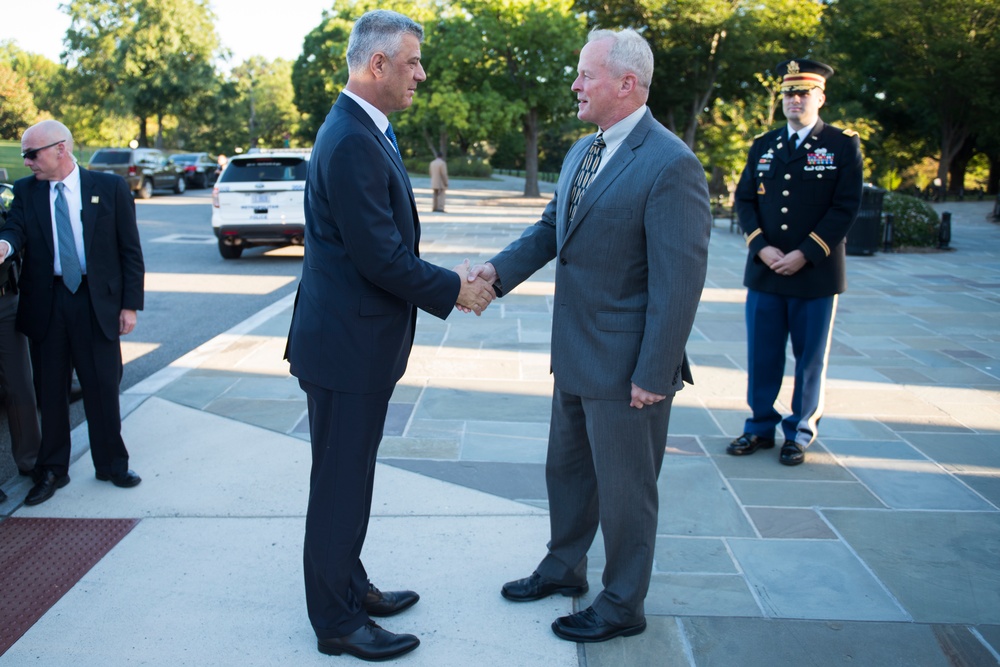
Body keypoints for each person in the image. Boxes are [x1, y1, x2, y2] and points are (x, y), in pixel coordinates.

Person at [469, 28, 710, 643]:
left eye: (585, 75)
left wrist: (654, 375)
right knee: (567, 472)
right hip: (574, 351)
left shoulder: (671, 163)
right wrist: (494, 277)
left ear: (626, 84)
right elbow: (552, 230)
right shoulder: (584, 150)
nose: (574, 85)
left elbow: (678, 284)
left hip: (628, 367)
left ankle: (623, 602)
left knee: (628, 494)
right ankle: (563, 567)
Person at [284, 10, 495, 662]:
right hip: (345, 349)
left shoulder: (366, 128)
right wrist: (454, 289)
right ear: (377, 65)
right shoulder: (350, 138)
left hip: (351, 344)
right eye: (411, 63)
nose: (421, 74)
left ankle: (349, 583)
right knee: (339, 486)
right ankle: (338, 620)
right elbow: (379, 256)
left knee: (349, 479)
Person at [0, 119, 145, 506]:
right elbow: (15, 229)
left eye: (32, 154)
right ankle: (52, 470)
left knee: (102, 386)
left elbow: (130, 251)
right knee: (51, 390)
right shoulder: (27, 191)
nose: (27, 162)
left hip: (96, 301)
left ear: (60, 149)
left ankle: (112, 463)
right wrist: (4, 245)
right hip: (48, 303)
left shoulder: (109, 188)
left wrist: (129, 305)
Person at [727, 58, 863, 466]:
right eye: (788, 93)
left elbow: (845, 207)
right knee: (762, 354)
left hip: (815, 274)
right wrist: (761, 247)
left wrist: (806, 252)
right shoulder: (763, 145)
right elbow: (745, 200)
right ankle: (759, 427)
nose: (794, 100)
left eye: (803, 93)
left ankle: (799, 431)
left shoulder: (842, 145)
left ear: (820, 97)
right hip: (766, 271)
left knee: (808, 358)